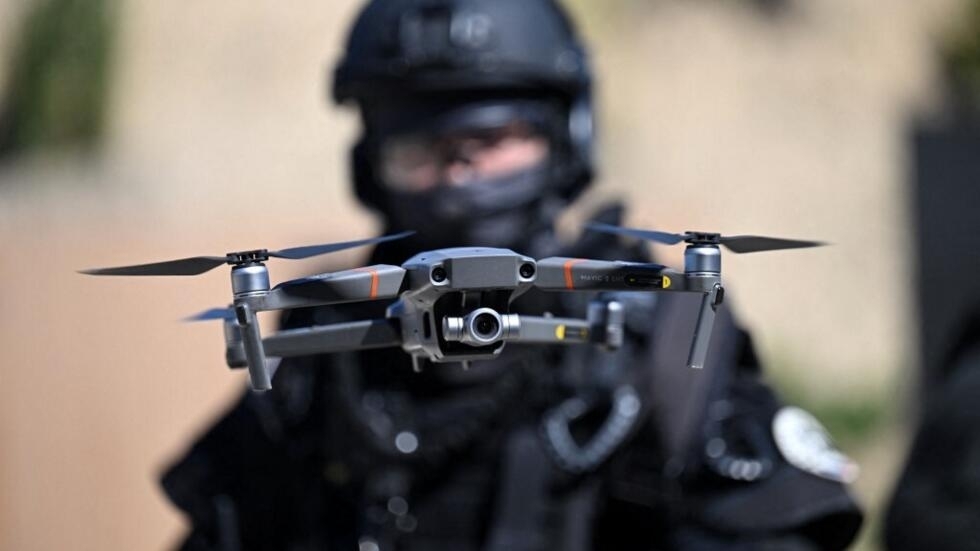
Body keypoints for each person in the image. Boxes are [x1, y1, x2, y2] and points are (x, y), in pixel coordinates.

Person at [161, 1, 863, 549]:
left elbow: (773, 528)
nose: (460, 174)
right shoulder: (327, 341)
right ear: (368, 164)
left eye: (494, 141)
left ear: (565, 144)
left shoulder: (661, 339)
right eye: (421, 147)